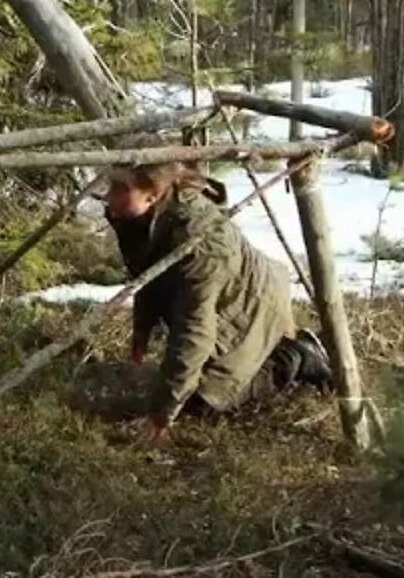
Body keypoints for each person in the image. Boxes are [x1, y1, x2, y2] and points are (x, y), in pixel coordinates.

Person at [102, 162, 333, 441]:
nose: (109, 196)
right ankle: (258, 354)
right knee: (184, 384)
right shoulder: (137, 218)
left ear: (152, 194)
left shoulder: (198, 242)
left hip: (252, 303)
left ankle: (295, 356)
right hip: (223, 300)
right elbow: (148, 273)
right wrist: (142, 330)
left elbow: (194, 331)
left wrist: (161, 414)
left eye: (120, 189)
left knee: (207, 401)